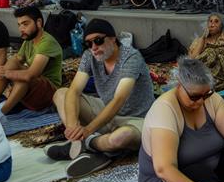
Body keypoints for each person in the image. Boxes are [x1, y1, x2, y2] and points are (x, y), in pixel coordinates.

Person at [47, 19, 154, 167]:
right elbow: (74, 90)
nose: (94, 47)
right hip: (106, 113)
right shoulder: (89, 55)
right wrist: (73, 128)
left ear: (113, 38)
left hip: (136, 119)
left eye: (98, 40)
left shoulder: (131, 57)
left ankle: (90, 143)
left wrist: (88, 130)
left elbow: (119, 100)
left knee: (121, 138)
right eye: (89, 44)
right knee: (61, 94)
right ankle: (77, 142)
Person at [0, 6, 62, 115]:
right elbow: (17, 59)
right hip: (32, 91)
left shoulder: (47, 42)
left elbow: (31, 75)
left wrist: (6, 73)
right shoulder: (29, 40)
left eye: (25, 24)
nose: (21, 29)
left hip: (49, 95)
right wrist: (3, 71)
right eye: (19, 25)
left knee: (23, 77)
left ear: (39, 22)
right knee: (13, 65)